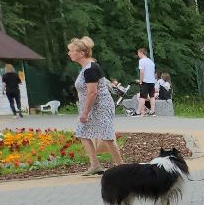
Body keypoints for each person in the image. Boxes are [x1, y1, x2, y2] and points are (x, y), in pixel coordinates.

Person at [67, 37, 121, 174]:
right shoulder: (87, 67)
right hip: (93, 107)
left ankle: (121, 166)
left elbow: (92, 92)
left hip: (100, 107)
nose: (69, 53)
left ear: (81, 53)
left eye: (71, 51)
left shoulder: (90, 69)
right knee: (82, 132)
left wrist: (84, 112)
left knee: (106, 136)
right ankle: (95, 164)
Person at [134, 47, 157, 116]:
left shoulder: (141, 61)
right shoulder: (151, 61)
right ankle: (152, 111)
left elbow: (141, 72)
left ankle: (138, 112)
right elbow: (153, 72)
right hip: (152, 81)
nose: (138, 55)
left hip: (145, 81)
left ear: (141, 53)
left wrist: (141, 81)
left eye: (138, 53)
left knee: (142, 97)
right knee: (152, 96)